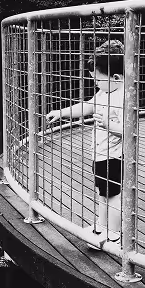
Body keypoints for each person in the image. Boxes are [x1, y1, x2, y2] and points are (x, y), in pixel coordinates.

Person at [45, 39, 125, 247]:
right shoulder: (105, 92)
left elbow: (129, 132)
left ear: (116, 77)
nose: (95, 83)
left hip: (113, 157)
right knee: (102, 193)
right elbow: (87, 107)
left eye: (98, 80)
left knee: (113, 196)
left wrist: (109, 125)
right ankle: (101, 227)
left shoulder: (123, 98)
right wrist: (62, 113)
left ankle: (115, 235)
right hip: (100, 155)